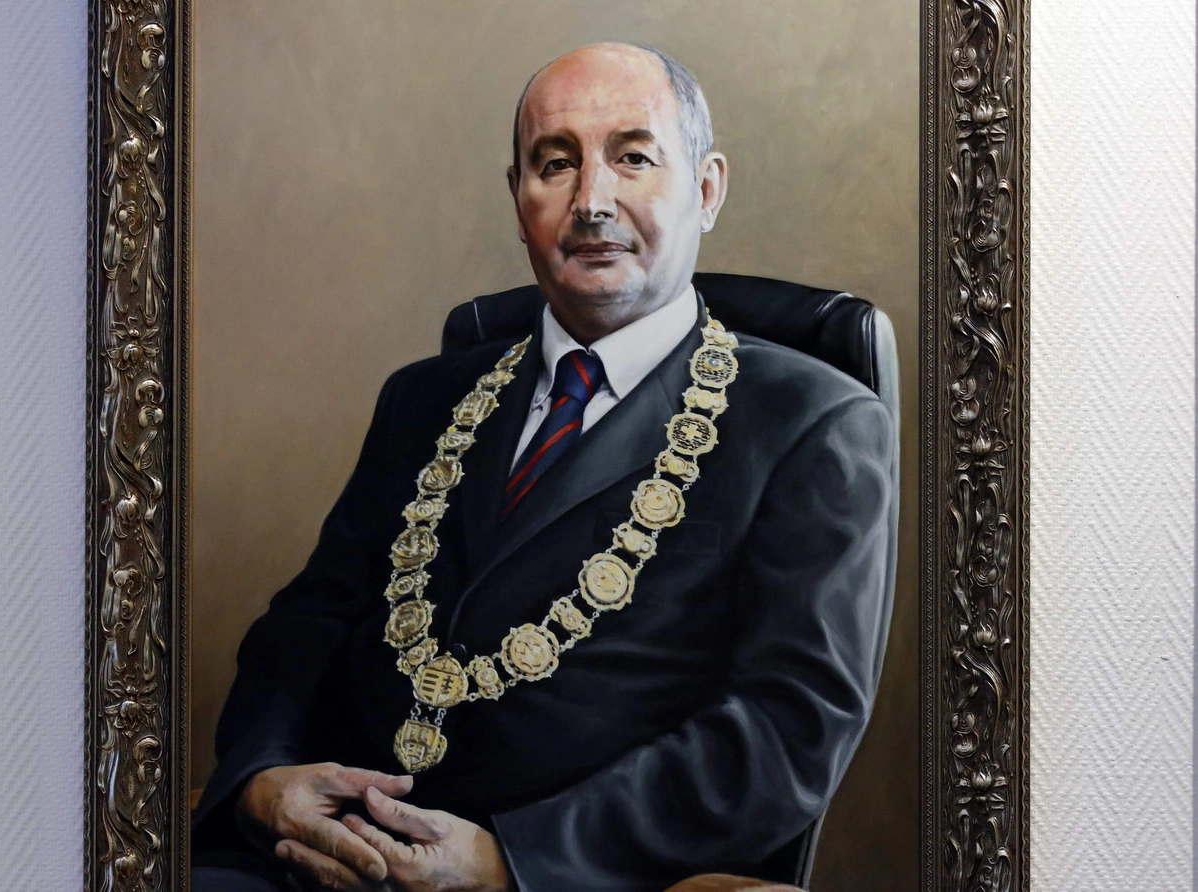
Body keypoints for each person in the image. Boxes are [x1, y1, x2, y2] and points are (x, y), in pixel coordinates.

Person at [192, 42, 898, 892]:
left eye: (633, 158)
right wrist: (263, 781)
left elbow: (788, 729)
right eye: (555, 164)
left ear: (707, 189)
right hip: (323, 860)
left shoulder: (812, 423)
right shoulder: (423, 398)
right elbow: (308, 625)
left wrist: (509, 862)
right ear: (518, 199)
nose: (591, 201)